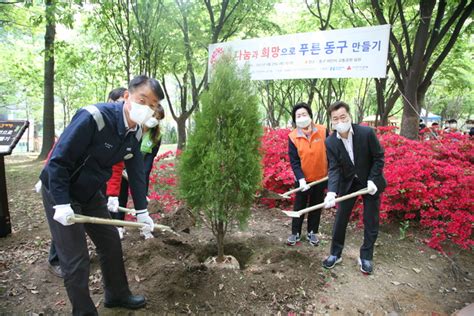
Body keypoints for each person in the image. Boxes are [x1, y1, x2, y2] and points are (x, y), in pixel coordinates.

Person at [39, 75, 164, 315]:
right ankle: (84, 311)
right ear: (127, 96)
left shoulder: (135, 132)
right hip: (61, 190)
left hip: (91, 192)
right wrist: (63, 204)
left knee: (110, 242)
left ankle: (117, 294)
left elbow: (136, 172)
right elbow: (58, 160)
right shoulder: (94, 117)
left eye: (152, 104)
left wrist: (142, 211)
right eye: (142, 99)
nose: (147, 107)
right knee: (76, 258)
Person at [45, 87, 127, 278]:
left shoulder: (124, 131)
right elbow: (61, 150)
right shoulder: (95, 119)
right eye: (116, 103)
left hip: (91, 184)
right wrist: (47, 177)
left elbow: (116, 166)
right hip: (67, 180)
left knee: (101, 230)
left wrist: (113, 194)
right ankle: (56, 259)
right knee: (64, 223)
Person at [322, 101, 386, 275]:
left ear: (350, 116)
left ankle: (366, 256)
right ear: (332, 122)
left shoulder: (366, 133)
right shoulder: (330, 142)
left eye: (343, 116)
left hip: (370, 183)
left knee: (370, 220)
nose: (340, 121)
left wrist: (373, 179)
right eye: (335, 118)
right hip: (348, 183)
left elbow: (379, 157)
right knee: (340, 218)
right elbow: (334, 168)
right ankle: (335, 254)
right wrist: (332, 192)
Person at [106, 104, 165, 239]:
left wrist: (139, 177)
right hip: (122, 169)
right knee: (120, 198)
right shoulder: (132, 128)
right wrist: (124, 170)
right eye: (154, 115)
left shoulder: (155, 136)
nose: (155, 119)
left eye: (158, 118)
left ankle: (144, 227)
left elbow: (149, 159)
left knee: (141, 200)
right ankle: (118, 226)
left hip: (140, 173)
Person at [286, 103, 328, 246]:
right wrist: (301, 179)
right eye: (298, 116)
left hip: (321, 177)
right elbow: (294, 161)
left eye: (304, 114)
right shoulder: (292, 137)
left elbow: (330, 153)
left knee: (316, 206)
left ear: (310, 116)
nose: (302, 117)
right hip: (303, 180)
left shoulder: (323, 131)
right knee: (299, 205)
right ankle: (295, 233)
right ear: (295, 119)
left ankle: (312, 232)